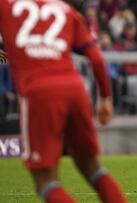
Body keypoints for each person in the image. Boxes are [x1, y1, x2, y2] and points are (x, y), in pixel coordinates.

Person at [0, 1, 127, 202]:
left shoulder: (6, 7)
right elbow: (95, 57)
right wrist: (105, 99)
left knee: (45, 180)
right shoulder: (66, 10)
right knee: (92, 167)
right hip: (75, 90)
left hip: (39, 93)